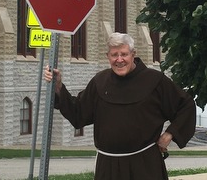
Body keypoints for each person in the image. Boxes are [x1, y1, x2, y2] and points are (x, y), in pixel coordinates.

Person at [44, 32, 196, 180]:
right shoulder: (100, 81)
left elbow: (186, 105)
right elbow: (78, 113)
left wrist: (169, 134)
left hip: (145, 166)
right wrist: (58, 87)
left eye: (124, 54)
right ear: (108, 57)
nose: (119, 59)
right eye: (114, 55)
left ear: (133, 54)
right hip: (108, 167)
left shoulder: (155, 80)